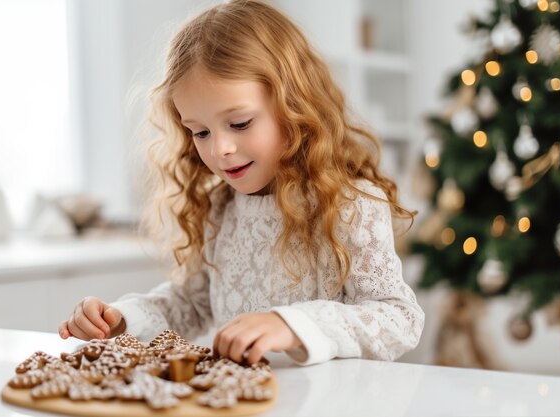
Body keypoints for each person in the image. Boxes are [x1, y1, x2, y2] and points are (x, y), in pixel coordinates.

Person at [59, 0, 424, 366]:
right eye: (200, 132)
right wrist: (120, 319)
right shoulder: (220, 208)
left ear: (293, 105)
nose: (220, 149)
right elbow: (191, 304)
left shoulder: (351, 206)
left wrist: (292, 325)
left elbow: (398, 318)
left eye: (240, 123)